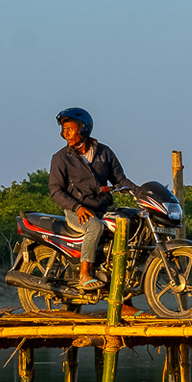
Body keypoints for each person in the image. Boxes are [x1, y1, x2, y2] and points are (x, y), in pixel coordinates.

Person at [48, 107, 129, 292]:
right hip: (77, 211)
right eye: (63, 128)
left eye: (70, 128)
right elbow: (55, 190)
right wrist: (76, 207)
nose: (65, 132)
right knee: (94, 226)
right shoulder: (61, 158)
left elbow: (121, 180)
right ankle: (84, 274)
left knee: (127, 227)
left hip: (101, 208)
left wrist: (141, 192)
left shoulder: (104, 153)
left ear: (83, 128)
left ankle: (123, 293)